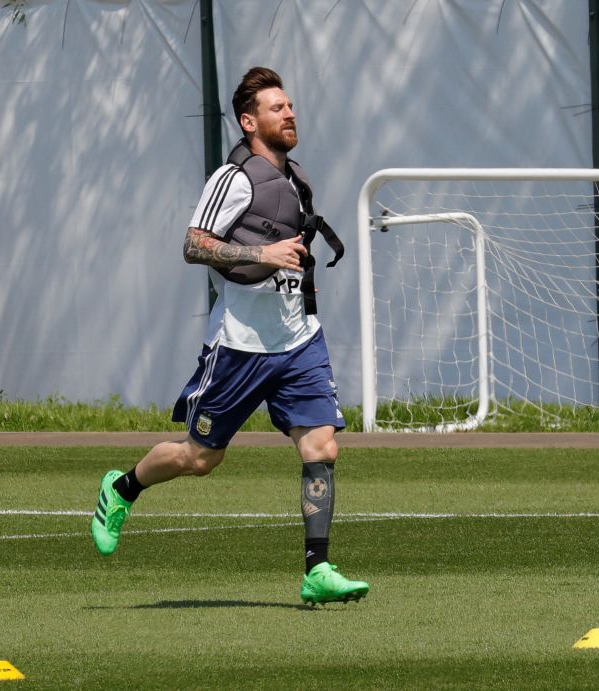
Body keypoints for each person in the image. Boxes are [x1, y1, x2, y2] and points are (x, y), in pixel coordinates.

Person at [90, 66, 368, 606]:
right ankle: (121, 489)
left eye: (290, 105)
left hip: (299, 338)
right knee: (200, 458)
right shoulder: (232, 177)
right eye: (276, 107)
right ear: (249, 121)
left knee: (321, 446)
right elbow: (193, 245)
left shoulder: (296, 178)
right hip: (241, 344)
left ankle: (317, 569)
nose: (289, 113)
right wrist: (261, 254)